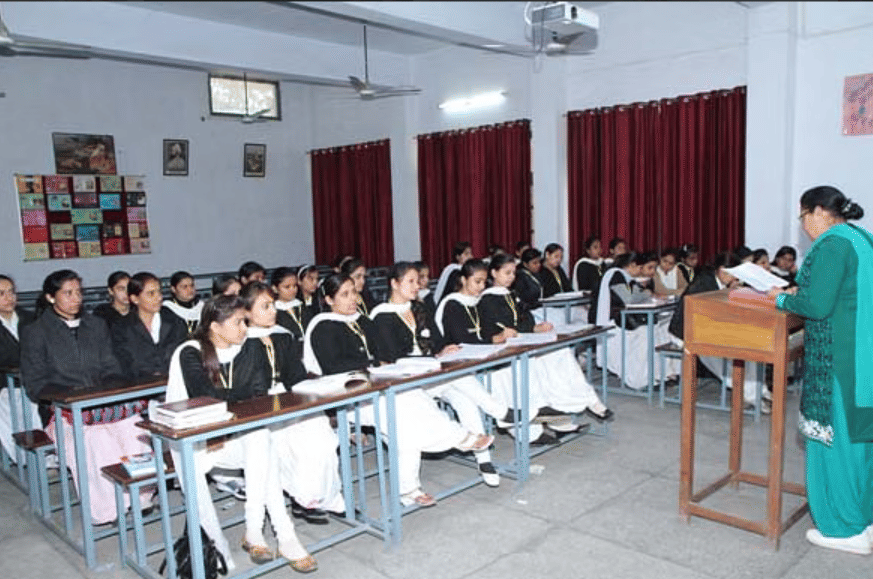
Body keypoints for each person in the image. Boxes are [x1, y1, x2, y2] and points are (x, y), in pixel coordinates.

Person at [303, 272, 493, 507]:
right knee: (401, 409)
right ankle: (457, 437)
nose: (353, 298)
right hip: (347, 396)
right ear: (329, 300)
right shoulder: (323, 326)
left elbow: (384, 354)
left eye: (354, 292)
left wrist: (378, 364)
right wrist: (373, 364)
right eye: (345, 294)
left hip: (376, 385)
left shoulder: (363, 321)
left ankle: (409, 490)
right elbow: (333, 366)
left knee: (407, 408)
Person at [165, 295, 317, 572]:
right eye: (238, 323)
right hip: (198, 439)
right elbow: (204, 395)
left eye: (245, 322)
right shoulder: (190, 352)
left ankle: (262, 531)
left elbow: (259, 391)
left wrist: (230, 397)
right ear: (215, 326)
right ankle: (267, 538)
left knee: (261, 438)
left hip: (237, 432)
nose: (245, 328)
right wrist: (235, 398)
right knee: (262, 446)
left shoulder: (249, 347)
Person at [767, 186, 873, 555]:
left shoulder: (831, 244)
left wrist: (781, 298)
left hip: (839, 361)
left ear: (817, 211)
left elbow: (818, 306)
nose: (804, 226)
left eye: (802, 217)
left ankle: (844, 528)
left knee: (836, 442)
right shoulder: (862, 238)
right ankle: (864, 519)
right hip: (863, 356)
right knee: (861, 442)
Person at [20, 270, 152, 525]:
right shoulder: (36, 332)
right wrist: (73, 396)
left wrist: (108, 391)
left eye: (79, 292)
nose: (76, 299)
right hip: (62, 413)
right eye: (68, 293)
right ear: (50, 297)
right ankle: (108, 508)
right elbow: (35, 384)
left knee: (134, 427)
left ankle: (141, 495)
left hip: (103, 406)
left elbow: (112, 367)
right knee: (96, 439)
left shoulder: (96, 325)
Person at [371, 262, 515, 486]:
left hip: (431, 373)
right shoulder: (381, 315)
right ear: (394, 284)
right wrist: (433, 357)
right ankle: (499, 412)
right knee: (460, 380)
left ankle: (484, 459)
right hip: (407, 381)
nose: (418, 286)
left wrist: (443, 350)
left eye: (418, 281)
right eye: (411, 281)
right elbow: (392, 356)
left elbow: (437, 340)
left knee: (466, 400)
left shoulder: (419, 309)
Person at [240, 282, 344, 524]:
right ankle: (304, 499)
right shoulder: (240, 342)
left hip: (289, 397)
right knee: (287, 444)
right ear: (246, 312)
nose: (273, 311)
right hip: (260, 405)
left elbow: (295, 377)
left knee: (322, 435)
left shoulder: (282, 336)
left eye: (273, 305)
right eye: (265, 307)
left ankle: (328, 496)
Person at [478, 255, 613, 423]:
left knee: (561, 351)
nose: (511, 277)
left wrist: (536, 327)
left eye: (513, 273)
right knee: (548, 358)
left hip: (523, 339)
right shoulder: (487, 299)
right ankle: (558, 404)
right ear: (493, 273)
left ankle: (587, 399)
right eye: (507, 273)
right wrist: (526, 329)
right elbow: (499, 326)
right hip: (506, 345)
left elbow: (525, 317)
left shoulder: (511, 294)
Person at [667, 252, 770, 413]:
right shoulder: (704, 283)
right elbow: (696, 314)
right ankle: (749, 395)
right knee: (720, 357)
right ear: (722, 271)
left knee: (750, 350)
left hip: (708, 330)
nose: (737, 279)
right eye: (735, 275)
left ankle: (760, 390)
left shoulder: (721, 283)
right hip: (686, 333)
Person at [591, 252, 680, 391]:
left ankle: (662, 373)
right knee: (646, 333)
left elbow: (636, 296)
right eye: (640, 268)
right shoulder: (615, 275)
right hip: (611, 322)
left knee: (661, 328)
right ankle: (641, 379)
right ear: (632, 265)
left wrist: (644, 291)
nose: (640, 272)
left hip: (623, 318)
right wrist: (646, 291)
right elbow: (629, 298)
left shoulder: (624, 276)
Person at [111, 272, 188, 380]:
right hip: (139, 384)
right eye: (151, 294)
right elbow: (125, 364)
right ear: (135, 299)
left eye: (159, 292)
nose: (159, 298)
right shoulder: (122, 328)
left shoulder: (175, 322)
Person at [0, 274, 41, 461]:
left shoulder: (31, 318)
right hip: (5, 384)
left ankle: (43, 455)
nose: (9, 298)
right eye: (1, 294)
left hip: (34, 380)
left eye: (11, 292)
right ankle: (24, 458)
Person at [271, 267, 308, 342]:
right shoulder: (273, 311)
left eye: (295, 286)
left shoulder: (301, 306)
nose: (292, 290)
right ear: (275, 288)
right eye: (287, 287)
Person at [433, 241, 473, 305]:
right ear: (458, 257)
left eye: (471, 253)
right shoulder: (454, 271)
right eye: (466, 254)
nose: (470, 257)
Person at [164, 271, 203, 335]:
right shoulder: (166, 310)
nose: (190, 290)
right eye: (185, 287)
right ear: (173, 289)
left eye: (192, 285)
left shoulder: (202, 306)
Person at [513, 247, 544, 312]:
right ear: (525, 264)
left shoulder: (537, 274)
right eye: (535, 263)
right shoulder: (520, 277)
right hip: (529, 310)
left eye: (539, 262)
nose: (538, 265)